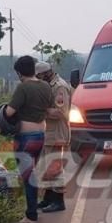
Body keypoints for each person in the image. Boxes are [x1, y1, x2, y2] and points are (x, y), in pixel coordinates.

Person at [3, 56, 53, 223]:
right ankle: (33, 209)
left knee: (27, 176)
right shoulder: (46, 86)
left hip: (25, 137)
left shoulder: (23, 87)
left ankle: (31, 214)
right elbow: (49, 108)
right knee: (32, 172)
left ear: (19, 72)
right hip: (41, 135)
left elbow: (9, 112)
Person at [35, 61, 72, 213]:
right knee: (47, 167)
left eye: (39, 76)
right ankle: (48, 199)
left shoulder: (59, 87)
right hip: (49, 133)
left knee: (55, 168)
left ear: (46, 74)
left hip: (58, 133)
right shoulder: (49, 86)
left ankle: (59, 201)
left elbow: (60, 112)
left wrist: (40, 110)